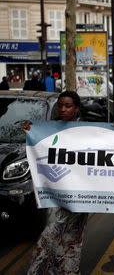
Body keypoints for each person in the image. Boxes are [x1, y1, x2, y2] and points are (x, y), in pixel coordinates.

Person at [25, 91, 89, 275]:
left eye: (68, 106)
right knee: (51, 231)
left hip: (80, 192)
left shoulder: (88, 131)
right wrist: (31, 132)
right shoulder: (48, 130)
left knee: (74, 236)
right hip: (56, 191)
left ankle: (68, 270)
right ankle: (41, 269)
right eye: (60, 105)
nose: (63, 109)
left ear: (76, 108)